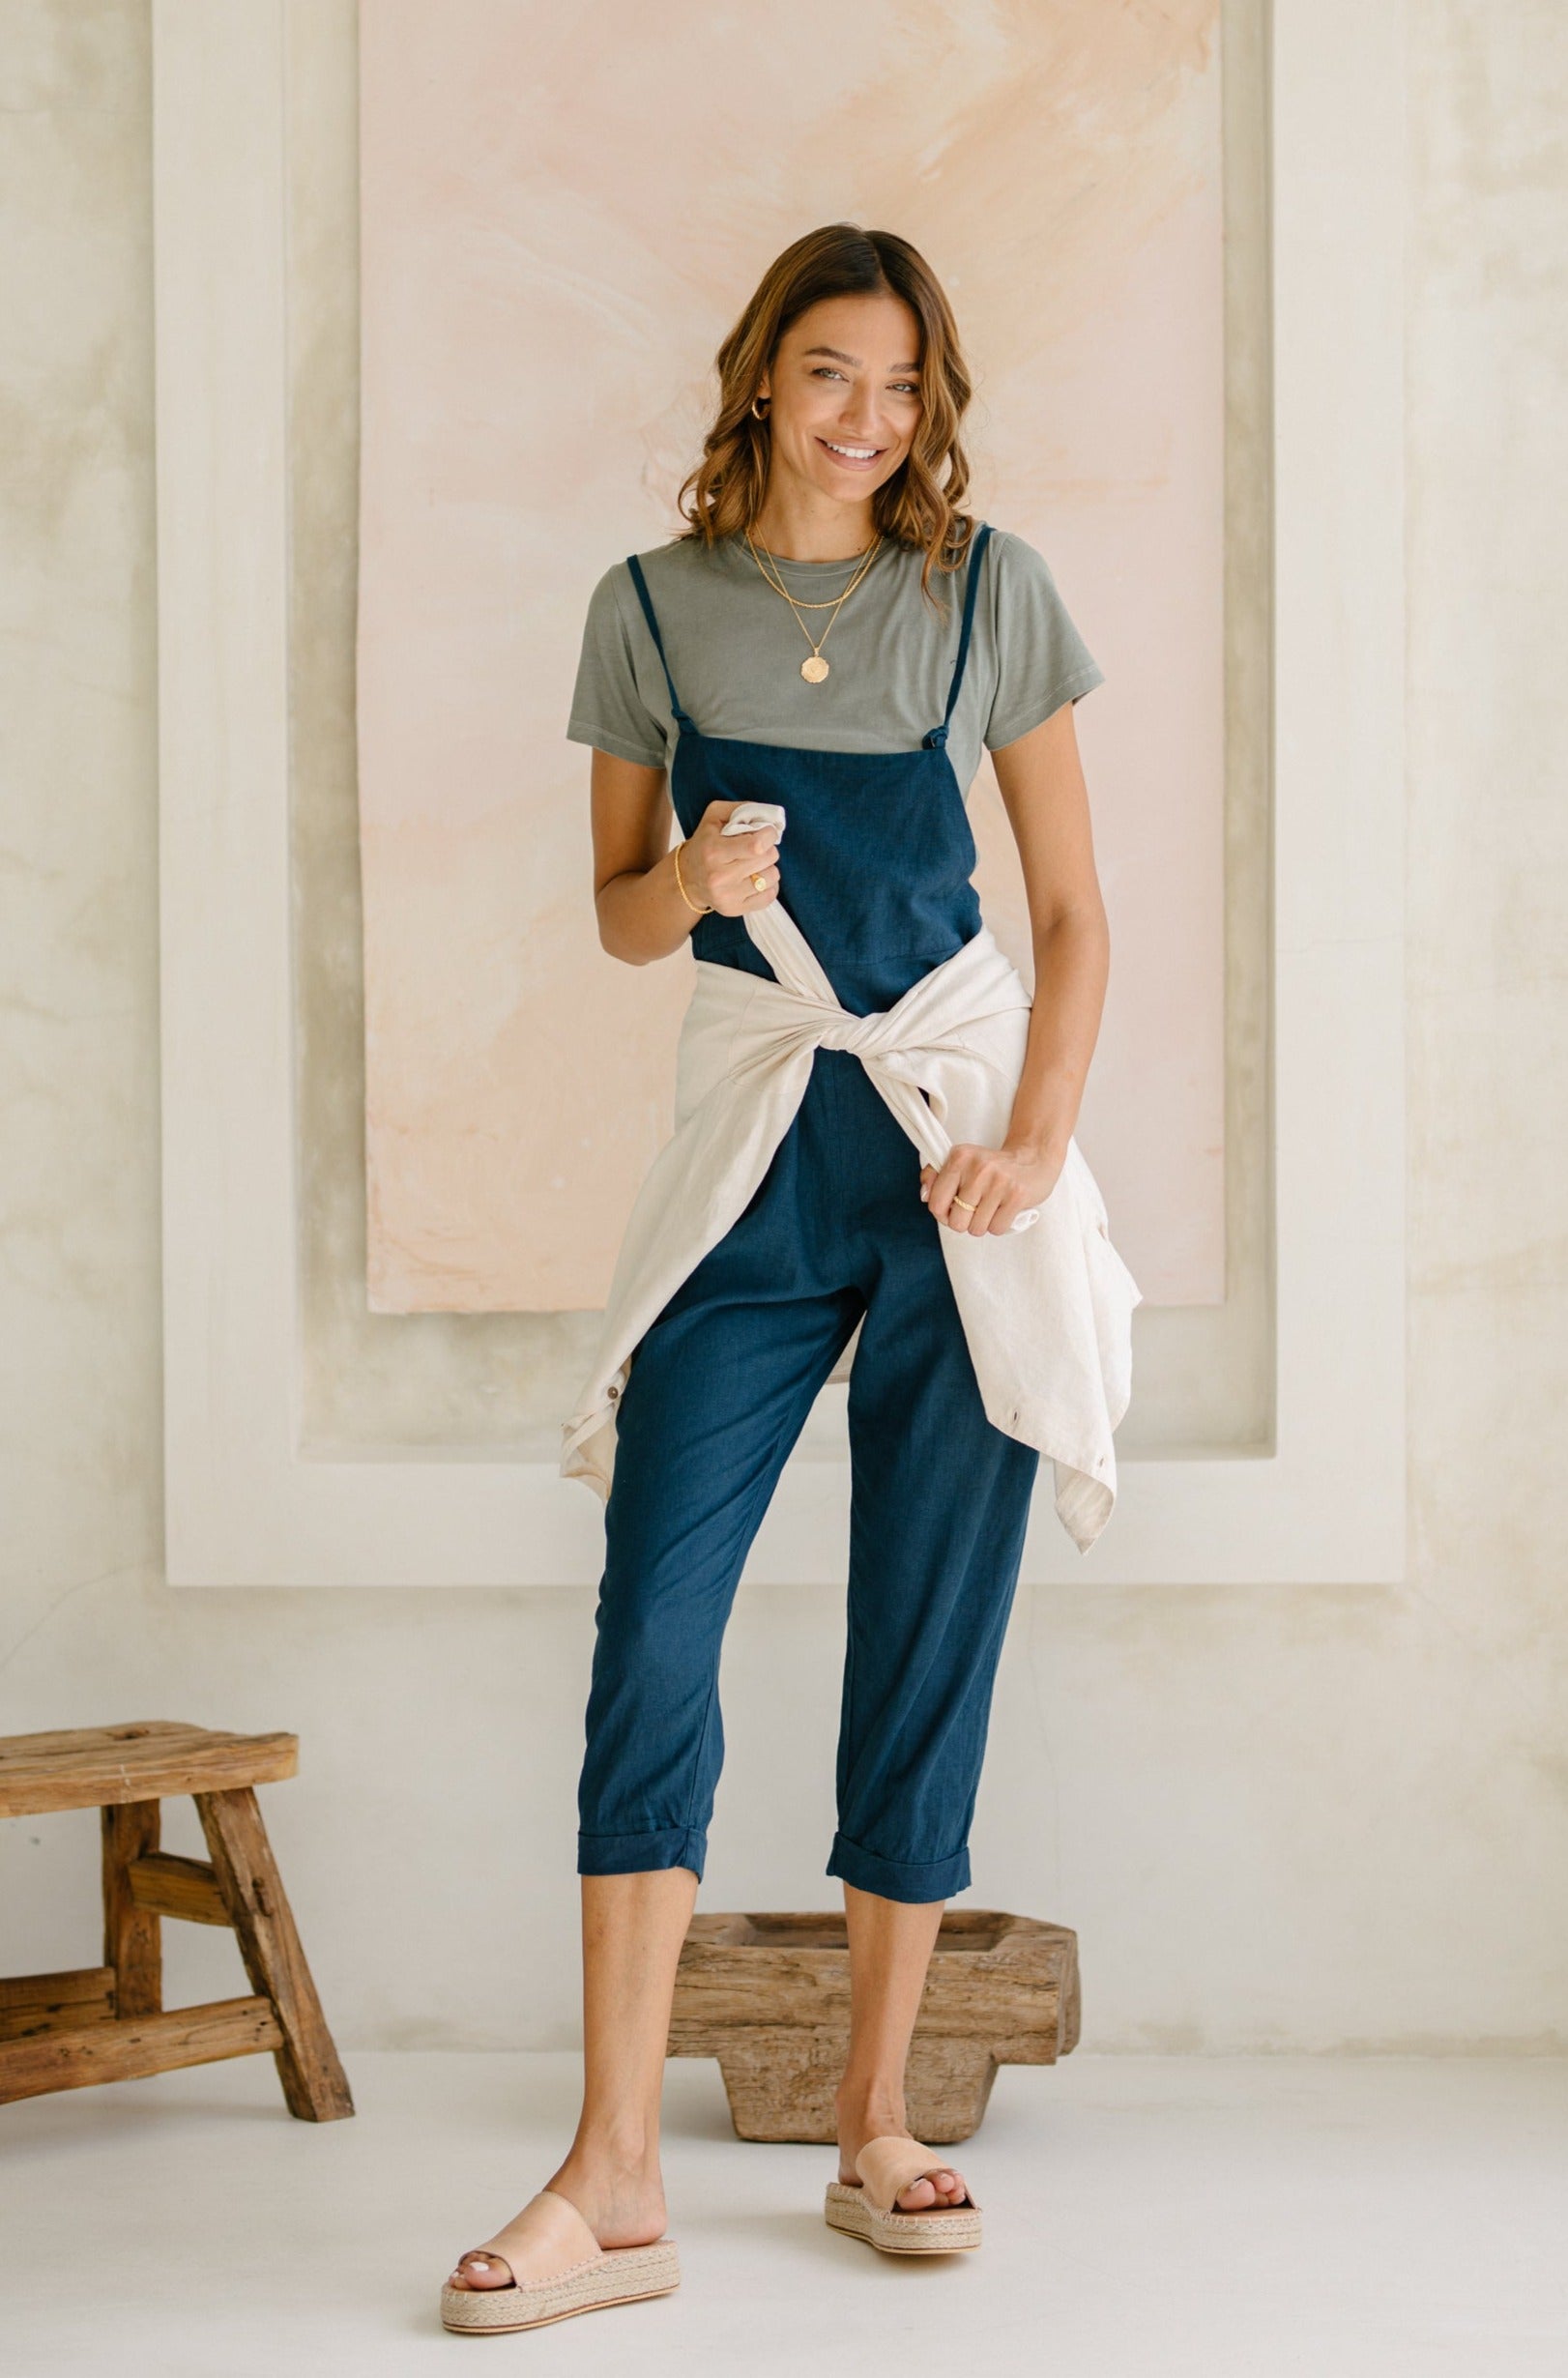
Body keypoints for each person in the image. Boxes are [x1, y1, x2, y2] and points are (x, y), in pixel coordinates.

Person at [441, 221, 1119, 2337]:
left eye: (903, 387)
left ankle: (870, 2124)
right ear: (760, 379)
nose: (867, 421)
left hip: (945, 1172)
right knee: (653, 1627)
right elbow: (623, 925)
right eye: (831, 375)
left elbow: (1077, 912)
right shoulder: (644, 610)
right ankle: (611, 2170)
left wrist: (1031, 1146)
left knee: (927, 1632)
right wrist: (694, 876)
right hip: (751, 1164)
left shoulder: (982, 590)